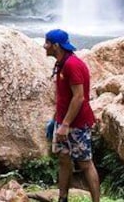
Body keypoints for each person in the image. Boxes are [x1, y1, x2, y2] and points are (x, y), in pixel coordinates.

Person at [44, 29, 100, 202]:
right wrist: (56, 120)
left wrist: (66, 124)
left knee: (85, 163)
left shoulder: (72, 65)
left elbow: (78, 97)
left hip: (77, 123)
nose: (44, 46)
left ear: (56, 46)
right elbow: (63, 96)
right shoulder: (61, 63)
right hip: (63, 121)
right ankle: (63, 198)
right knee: (63, 159)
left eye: (47, 42)